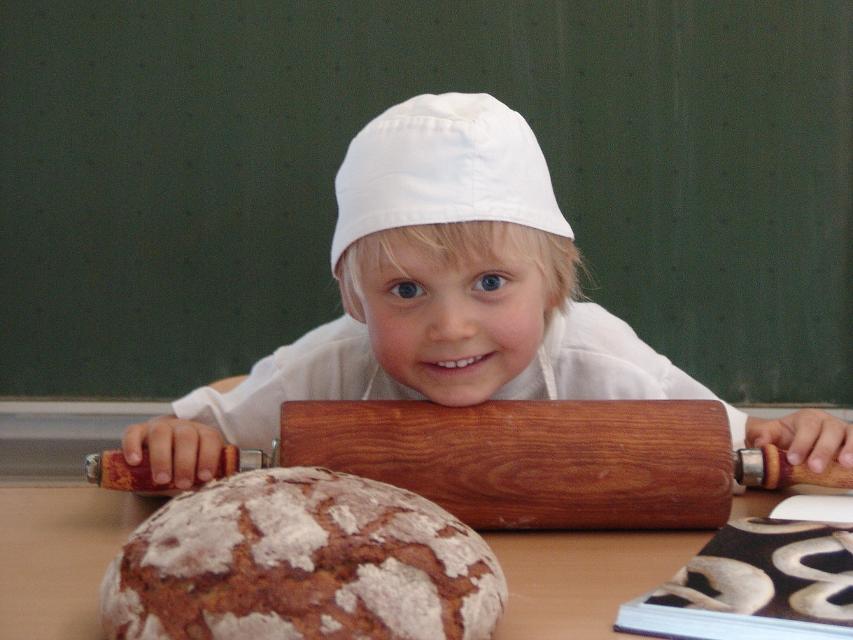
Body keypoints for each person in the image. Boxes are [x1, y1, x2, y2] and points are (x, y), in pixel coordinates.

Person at [123, 92, 852, 491]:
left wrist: (805, 435)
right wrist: (181, 444)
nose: (451, 326)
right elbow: (196, 432)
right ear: (355, 301)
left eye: (491, 283)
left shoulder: (602, 362)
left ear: (552, 286)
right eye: (406, 289)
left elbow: (752, 448)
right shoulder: (335, 364)